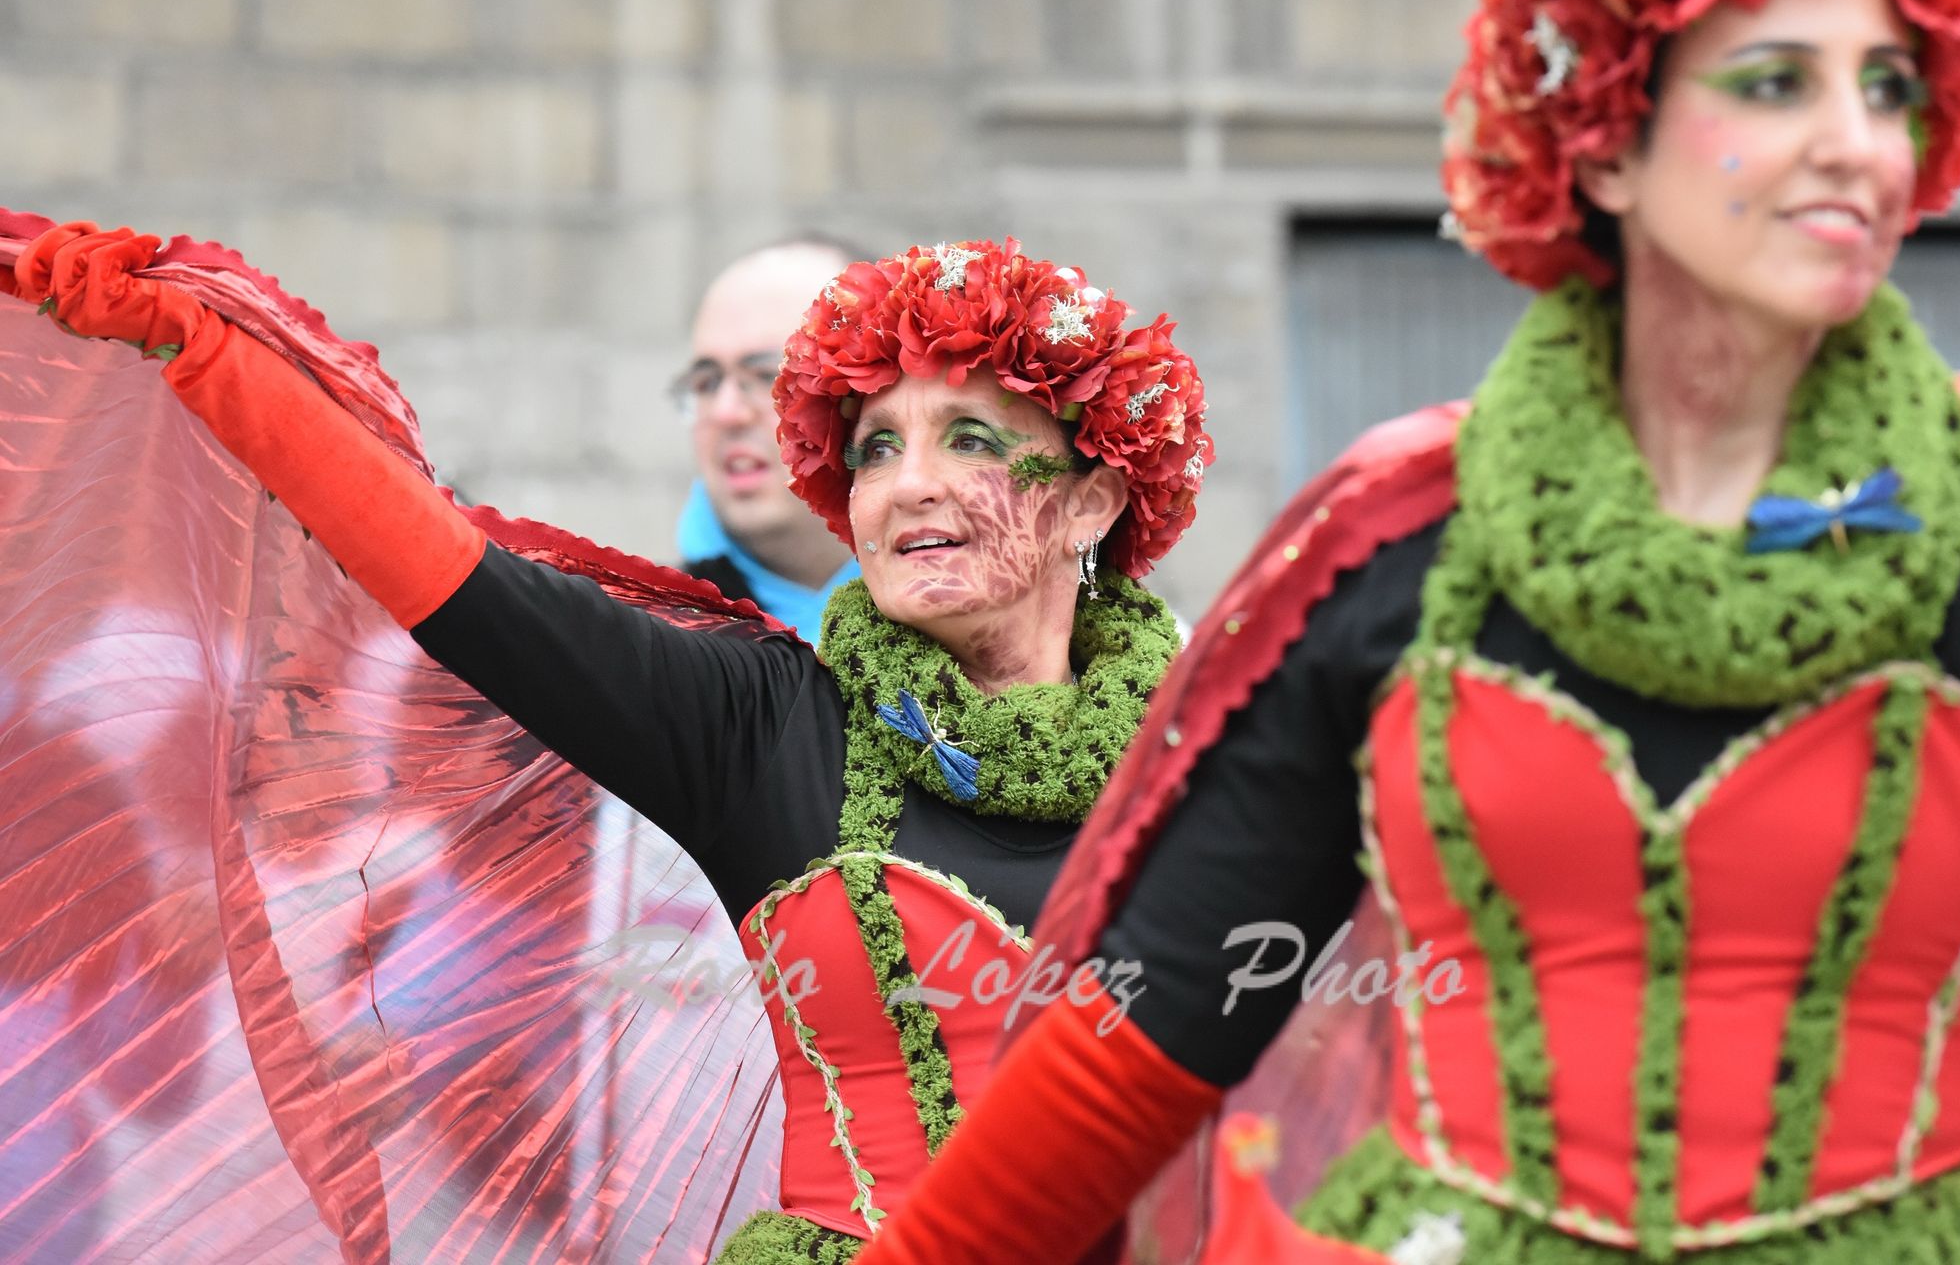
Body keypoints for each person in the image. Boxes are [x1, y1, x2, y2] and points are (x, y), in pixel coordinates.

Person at [854, 0, 1960, 1261]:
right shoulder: (1393, 547)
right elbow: (1137, 1042)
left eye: (1886, 87)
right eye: (1774, 81)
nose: (1856, 142)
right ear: (1603, 148)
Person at [1, 230, 1212, 1263]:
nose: (905, 487)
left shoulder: (1216, 749)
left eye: (970, 441)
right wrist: (205, 349)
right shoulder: (763, 725)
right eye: (878, 446)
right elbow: (452, 575)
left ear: (1092, 501)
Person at [675, 238, 865, 641]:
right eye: (706, 381)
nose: (726, 412)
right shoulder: (648, 637)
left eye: (768, 376)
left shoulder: (1000, 628)